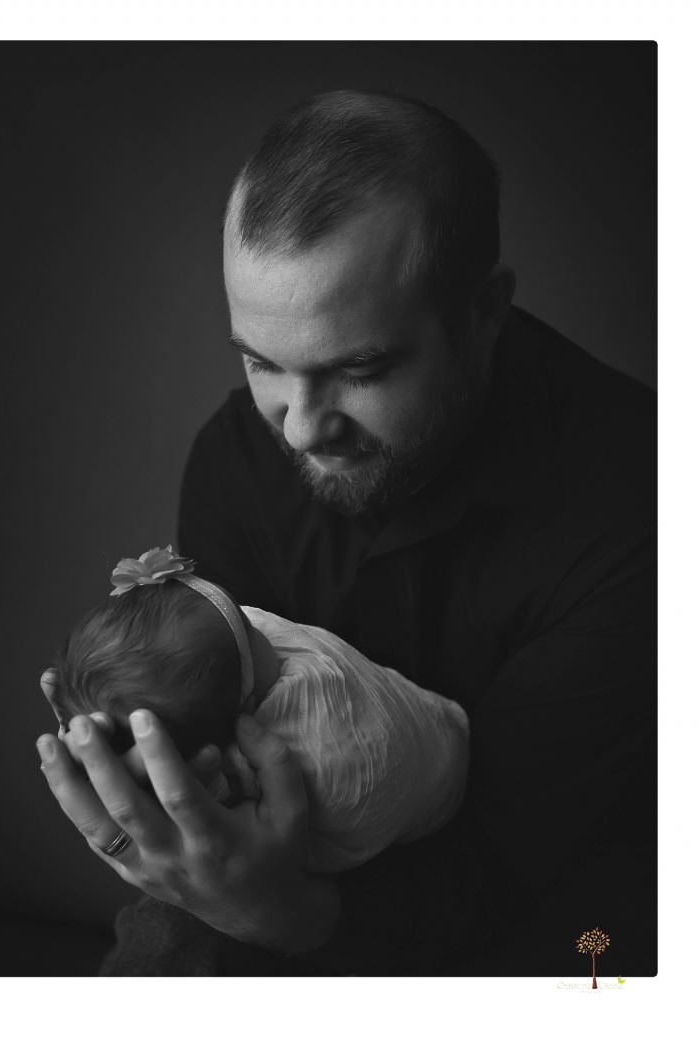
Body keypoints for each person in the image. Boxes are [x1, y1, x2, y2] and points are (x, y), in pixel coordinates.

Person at [37, 89, 656, 976]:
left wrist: (289, 913)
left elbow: (511, 872)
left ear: (483, 315)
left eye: (360, 369)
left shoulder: (643, 510)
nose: (297, 427)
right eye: (262, 363)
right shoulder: (236, 457)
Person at [47, 546, 469, 873]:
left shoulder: (254, 670)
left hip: (438, 801)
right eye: (250, 632)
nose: (257, 622)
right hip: (431, 774)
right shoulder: (302, 736)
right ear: (246, 710)